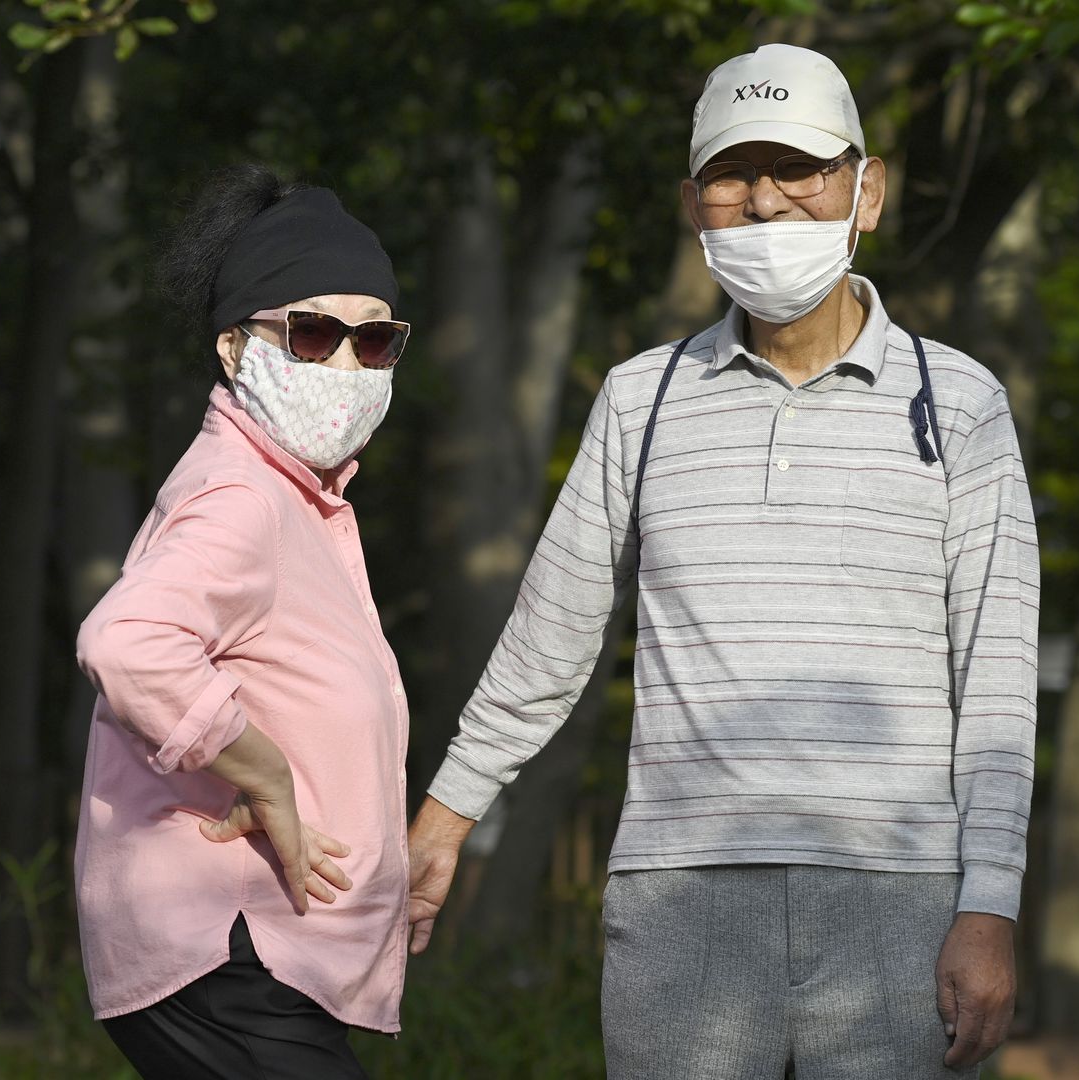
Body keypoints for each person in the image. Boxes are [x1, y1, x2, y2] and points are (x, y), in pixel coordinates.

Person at [406, 44, 1038, 1079]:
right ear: (694, 203)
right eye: (734, 175)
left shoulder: (959, 403)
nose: (766, 202)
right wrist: (442, 818)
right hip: (679, 897)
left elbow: (1000, 678)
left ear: (864, 190)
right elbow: (550, 639)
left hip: (899, 897)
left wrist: (989, 902)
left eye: (799, 169)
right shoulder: (639, 400)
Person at [72, 165, 414, 1080]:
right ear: (235, 349)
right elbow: (127, 642)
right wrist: (259, 771)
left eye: (374, 342)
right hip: (229, 948)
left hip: (268, 957)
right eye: (312, 334)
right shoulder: (242, 495)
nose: (344, 367)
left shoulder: (302, 502)